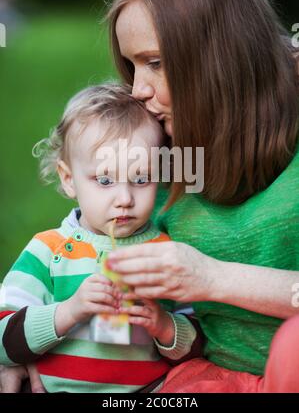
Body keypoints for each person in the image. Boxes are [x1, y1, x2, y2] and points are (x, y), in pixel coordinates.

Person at [1, 0, 299, 393]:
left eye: (156, 63)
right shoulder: (160, 149)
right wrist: (27, 347)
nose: (137, 89)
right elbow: (83, 235)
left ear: (221, 56)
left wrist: (213, 278)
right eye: (132, 65)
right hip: (198, 380)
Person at [0, 83, 201, 393]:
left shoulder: (166, 252)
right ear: (68, 179)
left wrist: (164, 326)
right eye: (105, 179)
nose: (124, 198)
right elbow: (3, 338)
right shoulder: (48, 250)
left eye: (141, 178)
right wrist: (69, 311)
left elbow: (200, 344)